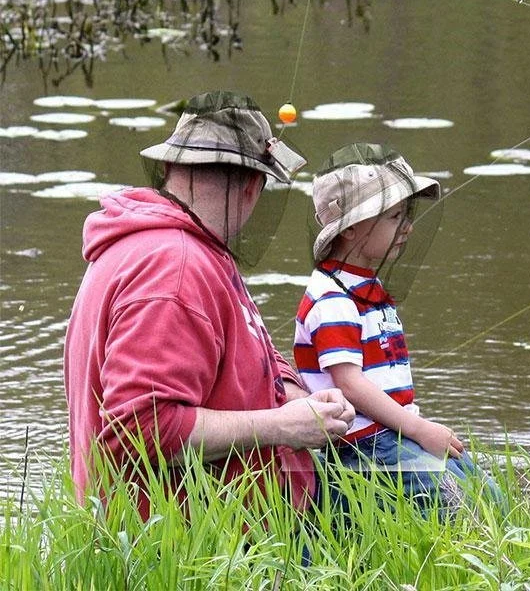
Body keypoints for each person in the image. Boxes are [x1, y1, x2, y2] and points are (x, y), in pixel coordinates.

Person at [64, 90, 355, 513]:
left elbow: (258, 347)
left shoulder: (189, 246)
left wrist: (294, 395)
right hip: (188, 553)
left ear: (169, 168)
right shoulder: (174, 267)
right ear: (254, 186)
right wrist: (281, 427)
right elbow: (139, 429)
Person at [294, 142, 495, 513]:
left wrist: (416, 430)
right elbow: (349, 385)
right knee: (453, 502)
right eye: (394, 216)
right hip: (363, 446)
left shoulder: (364, 288)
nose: (408, 227)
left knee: (488, 493)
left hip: (391, 434)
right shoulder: (333, 298)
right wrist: (418, 430)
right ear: (351, 229)